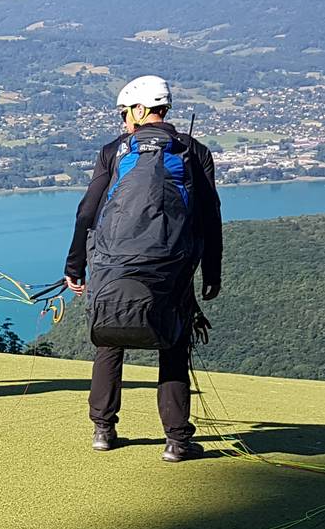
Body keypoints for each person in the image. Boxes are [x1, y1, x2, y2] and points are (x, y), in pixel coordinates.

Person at [64, 76, 222, 462]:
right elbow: (209, 216)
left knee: (109, 338)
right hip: (172, 266)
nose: (123, 121)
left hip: (113, 263)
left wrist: (75, 265)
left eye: (124, 113)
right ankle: (177, 441)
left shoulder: (114, 152)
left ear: (138, 110)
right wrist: (212, 271)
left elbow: (88, 211)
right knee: (172, 345)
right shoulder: (193, 150)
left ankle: (103, 429)